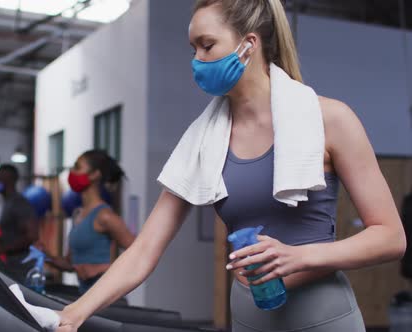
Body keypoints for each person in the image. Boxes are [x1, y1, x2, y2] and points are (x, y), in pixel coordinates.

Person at [55, 1, 406, 331]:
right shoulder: (203, 141)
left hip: (323, 317)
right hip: (247, 318)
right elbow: (144, 249)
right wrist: (73, 313)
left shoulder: (330, 119)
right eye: (193, 49)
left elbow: (390, 237)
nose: (196, 60)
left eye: (207, 45)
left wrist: (300, 256)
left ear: (248, 44)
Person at [45, 150, 135, 294]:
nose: (72, 172)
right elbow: (71, 264)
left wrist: (100, 268)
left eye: (77, 167)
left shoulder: (105, 216)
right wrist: (45, 255)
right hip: (85, 296)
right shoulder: (78, 215)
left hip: (106, 300)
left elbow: (140, 255)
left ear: (95, 175)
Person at [0, 163, 39, 282]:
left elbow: (32, 235)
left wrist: (2, 248)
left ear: (8, 181)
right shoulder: (8, 203)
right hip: (13, 265)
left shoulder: (18, 203)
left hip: (23, 268)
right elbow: (13, 238)